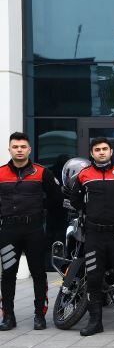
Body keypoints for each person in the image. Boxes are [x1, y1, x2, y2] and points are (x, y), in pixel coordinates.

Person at [69, 137, 114, 336]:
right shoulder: (84, 174)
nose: (101, 152)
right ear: (92, 153)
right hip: (94, 235)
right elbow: (75, 199)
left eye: (105, 149)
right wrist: (88, 211)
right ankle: (95, 322)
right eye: (97, 149)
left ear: (111, 152)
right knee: (93, 278)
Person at [0, 132, 62, 331]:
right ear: (9, 149)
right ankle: (8, 316)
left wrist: (44, 216)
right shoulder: (0, 173)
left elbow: (56, 200)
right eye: (15, 147)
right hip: (8, 230)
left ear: (29, 149)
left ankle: (39, 315)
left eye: (22, 147)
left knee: (38, 273)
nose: (19, 150)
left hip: (34, 230)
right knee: (8, 274)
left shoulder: (42, 173)